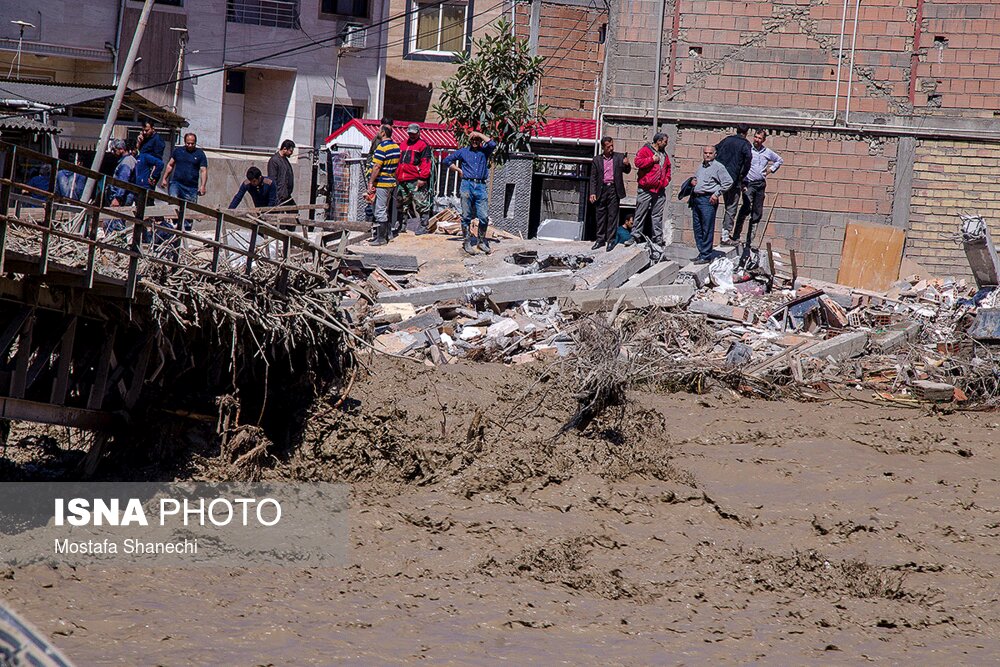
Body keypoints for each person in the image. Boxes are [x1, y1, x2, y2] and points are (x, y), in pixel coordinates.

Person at [442, 130, 496, 255]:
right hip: (467, 184)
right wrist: (458, 170)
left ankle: (481, 242)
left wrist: (478, 133)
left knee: (483, 217)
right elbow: (446, 160)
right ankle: (467, 241)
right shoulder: (464, 152)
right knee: (466, 215)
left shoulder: (484, 152)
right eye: (473, 140)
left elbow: (492, 144)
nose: (475, 142)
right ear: (470, 141)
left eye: (477, 140)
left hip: (481, 186)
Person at [733, 129, 783, 257]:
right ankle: (736, 235)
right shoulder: (748, 150)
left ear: (763, 140)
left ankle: (749, 241)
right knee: (746, 207)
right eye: (755, 137)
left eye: (760, 138)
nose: (757, 140)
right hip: (748, 184)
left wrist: (770, 170)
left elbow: (779, 160)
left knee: (757, 213)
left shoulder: (767, 152)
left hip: (760, 184)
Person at [688, 145, 733, 264]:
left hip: (708, 200)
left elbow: (728, 182)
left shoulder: (718, 167)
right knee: (698, 228)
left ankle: (706, 255)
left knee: (707, 227)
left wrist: (717, 194)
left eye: (710, 153)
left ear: (715, 154)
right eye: (705, 153)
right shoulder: (701, 166)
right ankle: (702, 252)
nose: (707, 155)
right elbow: (697, 179)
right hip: (697, 199)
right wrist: (693, 182)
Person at [588, 136, 632, 251]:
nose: (611, 148)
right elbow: (593, 178)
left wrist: (627, 164)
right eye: (608, 147)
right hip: (601, 190)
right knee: (600, 216)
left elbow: (627, 171)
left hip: (613, 189)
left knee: (612, 216)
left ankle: (611, 241)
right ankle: (600, 240)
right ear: (603, 147)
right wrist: (592, 192)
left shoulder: (618, 157)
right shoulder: (597, 160)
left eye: (612, 146)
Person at [160, 132, 208, 230]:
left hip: (191, 188)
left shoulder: (200, 154)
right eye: (188, 143)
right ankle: (173, 224)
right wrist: (164, 178)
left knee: (189, 212)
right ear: (184, 142)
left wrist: (203, 185)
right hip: (177, 183)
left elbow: (203, 170)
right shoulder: (178, 151)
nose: (190, 145)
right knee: (173, 201)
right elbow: (170, 165)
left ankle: (186, 229)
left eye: (192, 143)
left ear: (195, 143)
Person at [714, 124, 752, 245]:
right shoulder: (745, 144)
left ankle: (721, 234)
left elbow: (715, 150)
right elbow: (748, 161)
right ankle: (725, 236)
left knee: (720, 204)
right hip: (734, 180)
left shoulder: (726, 140)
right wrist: (742, 177)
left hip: (719, 178)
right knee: (731, 207)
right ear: (746, 132)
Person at [633, 132, 672, 248]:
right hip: (645, 189)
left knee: (657, 216)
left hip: (659, 190)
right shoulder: (645, 150)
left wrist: (666, 180)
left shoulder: (664, 154)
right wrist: (651, 159)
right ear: (659, 141)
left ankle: (657, 238)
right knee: (640, 213)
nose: (666, 144)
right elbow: (637, 162)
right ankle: (635, 235)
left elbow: (668, 167)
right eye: (665, 141)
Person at [395, 123, 434, 235]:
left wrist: (423, 178)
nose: (411, 135)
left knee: (420, 202)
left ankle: (424, 226)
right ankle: (402, 225)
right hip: (402, 179)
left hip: (415, 179)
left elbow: (426, 162)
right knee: (402, 203)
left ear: (418, 133)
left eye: (414, 133)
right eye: (410, 133)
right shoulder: (403, 144)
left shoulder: (423, 145)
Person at [366, 125, 400, 246]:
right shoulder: (396, 147)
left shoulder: (382, 147)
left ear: (383, 133)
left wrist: (371, 182)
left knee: (379, 209)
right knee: (384, 208)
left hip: (382, 182)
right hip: (391, 181)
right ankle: (385, 235)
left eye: (379, 130)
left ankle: (381, 238)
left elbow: (377, 166)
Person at [106, 139, 137, 232]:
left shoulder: (126, 162)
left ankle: (116, 243)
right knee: (116, 221)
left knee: (114, 222)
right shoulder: (128, 160)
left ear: (121, 149)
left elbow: (123, 182)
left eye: (114, 150)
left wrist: (117, 198)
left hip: (122, 198)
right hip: (124, 196)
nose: (113, 153)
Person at [268, 139, 296, 207]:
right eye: (290, 151)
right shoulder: (274, 160)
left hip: (286, 194)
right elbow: (272, 179)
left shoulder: (284, 159)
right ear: (284, 149)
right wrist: (276, 196)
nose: (291, 153)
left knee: (294, 211)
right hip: (279, 196)